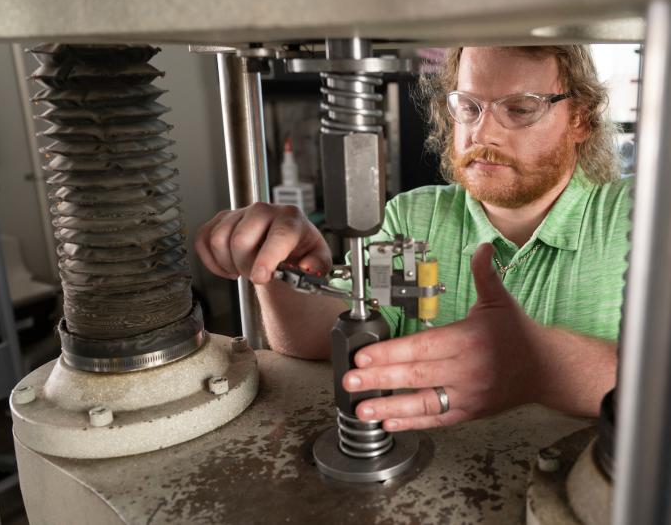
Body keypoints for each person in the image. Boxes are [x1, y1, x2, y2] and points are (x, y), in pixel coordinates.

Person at [195, 45, 632, 432]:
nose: (483, 133)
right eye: (469, 106)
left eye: (519, 108)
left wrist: (539, 367)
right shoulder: (416, 217)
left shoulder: (637, 217)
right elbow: (315, 337)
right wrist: (280, 268)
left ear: (580, 119)